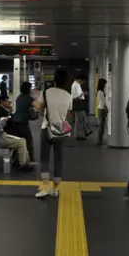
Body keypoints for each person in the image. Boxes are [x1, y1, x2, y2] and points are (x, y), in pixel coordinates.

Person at [34, 68, 73, 198]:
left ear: (55, 79)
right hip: (61, 131)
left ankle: (45, 187)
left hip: (47, 128)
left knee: (45, 157)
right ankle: (55, 189)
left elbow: (40, 108)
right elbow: (67, 113)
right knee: (58, 159)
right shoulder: (68, 96)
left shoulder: (47, 92)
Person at [0, 99, 34, 171]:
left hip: (0, 137)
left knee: (22, 140)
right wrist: (1, 123)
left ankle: (20, 161)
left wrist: (1, 124)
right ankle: (23, 164)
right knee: (21, 142)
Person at [14, 81, 40, 165]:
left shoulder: (19, 97)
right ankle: (31, 160)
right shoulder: (29, 98)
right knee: (29, 141)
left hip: (15, 122)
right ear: (28, 89)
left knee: (17, 141)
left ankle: (16, 160)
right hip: (23, 123)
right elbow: (39, 106)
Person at [71, 75, 92, 141]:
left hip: (79, 104)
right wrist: (83, 94)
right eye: (83, 81)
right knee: (78, 120)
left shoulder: (76, 84)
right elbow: (76, 97)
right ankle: (77, 135)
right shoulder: (75, 85)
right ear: (80, 79)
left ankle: (86, 132)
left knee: (82, 119)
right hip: (78, 104)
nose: (83, 83)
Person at [97, 78, 108, 145]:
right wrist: (106, 107)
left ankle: (100, 140)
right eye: (104, 84)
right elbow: (103, 101)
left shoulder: (100, 91)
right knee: (101, 125)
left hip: (101, 108)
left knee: (102, 125)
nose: (105, 85)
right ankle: (99, 140)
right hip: (102, 109)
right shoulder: (100, 92)